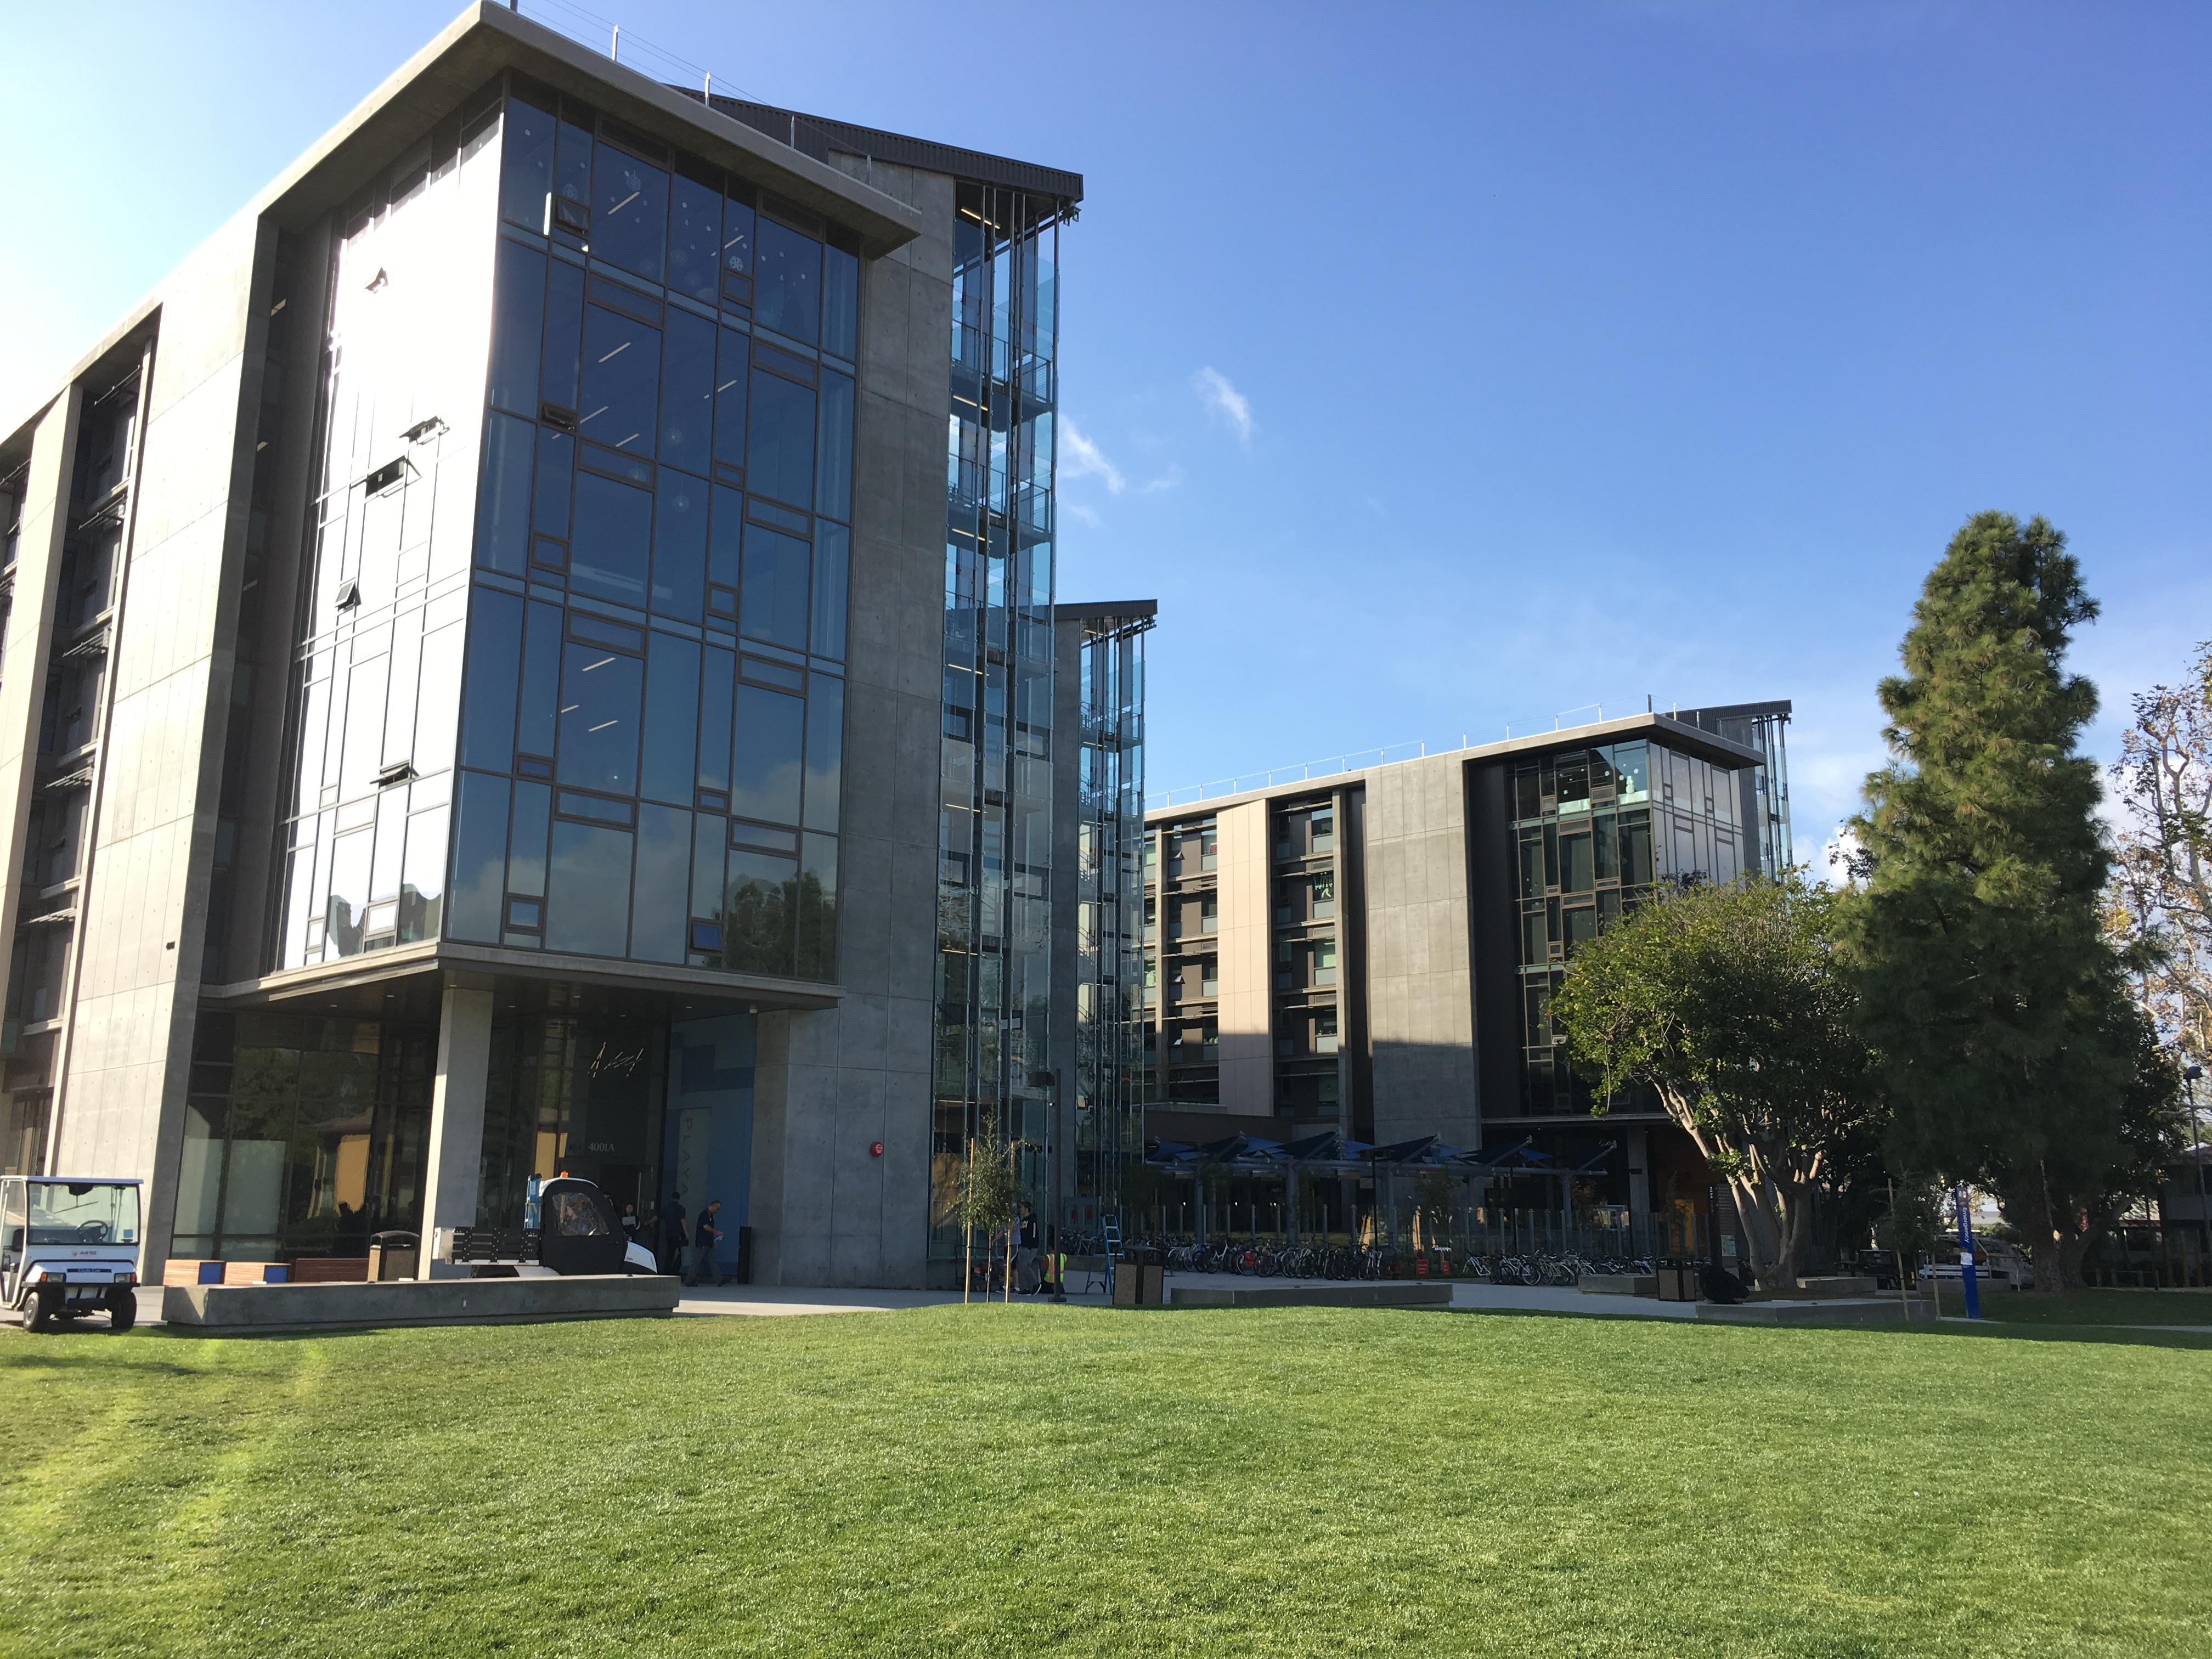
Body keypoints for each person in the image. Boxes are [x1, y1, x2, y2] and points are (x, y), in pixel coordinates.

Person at [689, 1199, 726, 1288]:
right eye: (717, 1209)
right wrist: (716, 1232)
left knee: (712, 1261)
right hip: (703, 1242)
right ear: (713, 1206)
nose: (717, 1211)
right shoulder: (704, 1215)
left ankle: (720, 1279)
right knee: (697, 1261)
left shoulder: (710, 1215)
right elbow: (706, 1227)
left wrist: (713, 1240)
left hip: (708, 1242)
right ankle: (690, 1279)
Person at [1015, 1202, 1041, 1294]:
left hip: (1030, 1247)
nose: (1021, 1210)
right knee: (1022, 1268)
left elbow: (1034, 1234)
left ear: (1027, 1209)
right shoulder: (1023, 1221)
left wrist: (1031, 1245)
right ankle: (1026, 1288)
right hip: (1023, 1246)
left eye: (1022, 1208)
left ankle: (1036, 1284)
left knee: (1025, 1266)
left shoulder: (1032, 1220)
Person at [660, 1201, 687, 1277]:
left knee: (669, 1254)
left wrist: (649, 1222)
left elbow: (658, 1217)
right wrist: (687, 1233)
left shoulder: (666, 1208)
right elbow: (683, 1221)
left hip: (669, 1234)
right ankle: (675, 1271)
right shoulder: (680, 1208)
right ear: (678, 1199)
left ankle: (667, 1271)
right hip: (678, 1235)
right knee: (682, 1254)